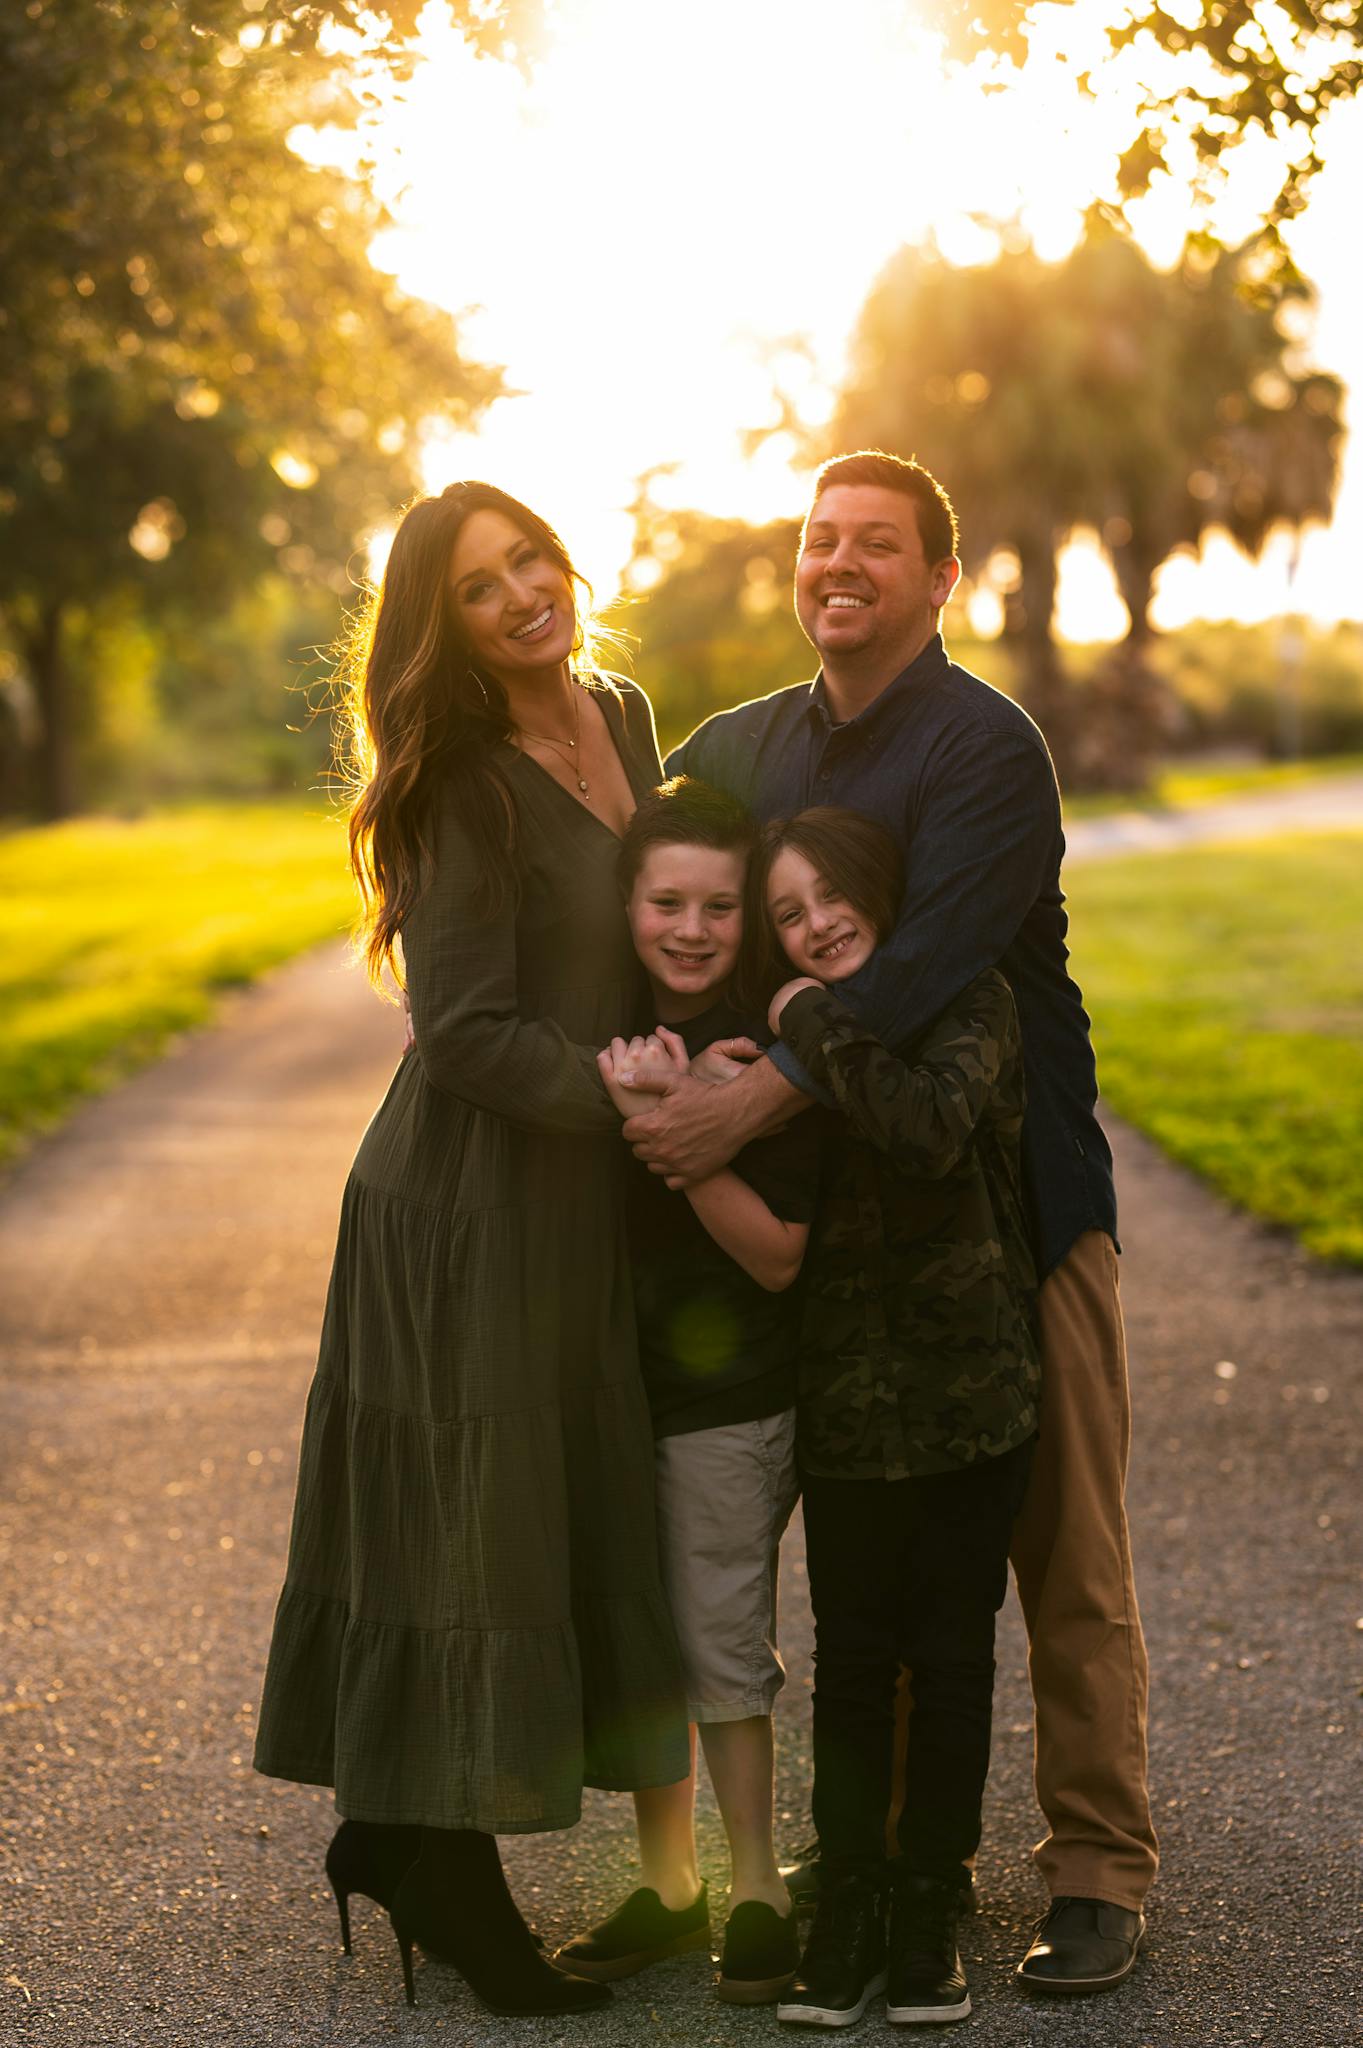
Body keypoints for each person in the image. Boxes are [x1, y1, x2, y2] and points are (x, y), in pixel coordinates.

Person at [622, 449, 1158, 1995]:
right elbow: (639, 838)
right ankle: (904, 1865)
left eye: (875, 544)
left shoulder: (987, 751)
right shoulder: (745, 745)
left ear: (940, 580)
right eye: (816, 540)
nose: (836, 564)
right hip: (839, 1234)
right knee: (885, 1568)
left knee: (1057, 1550)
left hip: (1012, 1204)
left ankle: (1096, 1866)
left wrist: (743, 1101)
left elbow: (914, 971)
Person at [252, 481, 690, 2016]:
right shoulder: (454, 783)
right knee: (471, 1515)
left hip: (581, 1197)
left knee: (543, 1500)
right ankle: (446, 1871)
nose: (522, 596)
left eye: (533, 561)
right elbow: (466, 1033)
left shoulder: (623, 717)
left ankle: (394, 1829)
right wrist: (638, 1108)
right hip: (468, 1197)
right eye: (481, 587)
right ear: (440, 626)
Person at [752, 805, 1038, 2028]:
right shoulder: (793, 1047)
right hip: (849, 1405)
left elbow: (925, 1128)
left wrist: (803, 1020)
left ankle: (929, 1903)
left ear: (880, 891)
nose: (813, 926)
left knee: (955, 1658)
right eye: (786, 915)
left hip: (975, 1396)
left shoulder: (971, 999)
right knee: (856, 1663)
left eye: (829, 897)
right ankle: (851, 1901)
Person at [555, 777, 817, 2005]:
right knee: (642, 1634)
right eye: (667, 899)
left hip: (730, 1398)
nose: (692, 926)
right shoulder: (603, 1026)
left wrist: (675, 1120)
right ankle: (669, 1884)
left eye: (719, 903)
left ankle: (757, 1883)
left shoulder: (762, 1050)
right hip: (617, 1391)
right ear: (628, 903)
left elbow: (774, 1252)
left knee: (719, 1639)